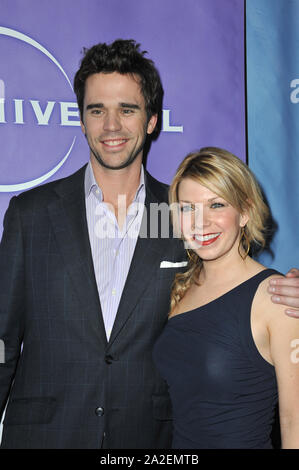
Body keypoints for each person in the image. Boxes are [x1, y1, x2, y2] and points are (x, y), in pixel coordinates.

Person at [0, 40, 298, 449]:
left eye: (127, 109)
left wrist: (292, 290)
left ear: (152, 120)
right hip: (45, 436)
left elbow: (235, 287)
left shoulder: (179, 215)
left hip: (149, 442)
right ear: (81, 121)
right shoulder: (31, 214)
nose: (111, 126)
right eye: (96, 110)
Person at [153, 147, 299, 449]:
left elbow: (293, 421)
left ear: (245, 212)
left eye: (216, 205)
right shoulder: (179, 287)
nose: (199, 222)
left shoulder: (277, 297)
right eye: (187, 208)